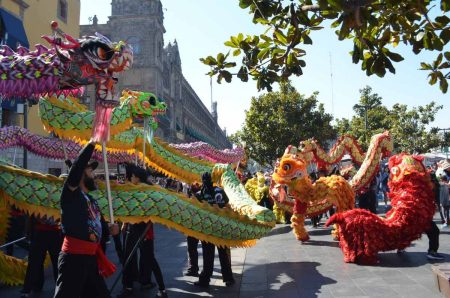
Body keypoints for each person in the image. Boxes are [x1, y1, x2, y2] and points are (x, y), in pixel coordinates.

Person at [53, 140, 119, 298]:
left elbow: (98, 227)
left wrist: (111, 231)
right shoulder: (71, 195)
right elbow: (75, 169)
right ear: (81, 173)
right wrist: (92, 143)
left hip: (90, 259)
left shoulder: (91, 200)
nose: (94, 175)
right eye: (90, 171)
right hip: (73, 260)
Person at [118, 164, 167, 298]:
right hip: (131, 228)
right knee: (128, 257)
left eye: (132, 176)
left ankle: (162, 288)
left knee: (150, 259)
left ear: (137, 178)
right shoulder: (130, 190)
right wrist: (125, 223)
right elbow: (127, 209)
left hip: (145, 229)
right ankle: (128, 285)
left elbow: (155, 211)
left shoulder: (150, 191)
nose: (130, 178)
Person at [193, 172, 235, 288]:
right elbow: (228, 206)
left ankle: (205, 279)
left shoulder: (201, 193)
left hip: (208, 229)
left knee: (207, 255)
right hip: (221, 228)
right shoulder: (219, 191)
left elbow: (196, 210)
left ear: (202, 180)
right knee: (224, 255)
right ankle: (228, 279)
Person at [20, 216, 62, 298]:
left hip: (55, 232)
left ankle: (60, 288)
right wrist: (28, 229)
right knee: (34, 262)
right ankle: (31, 287)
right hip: (39, 232)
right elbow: (30, 213)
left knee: (57, 262)